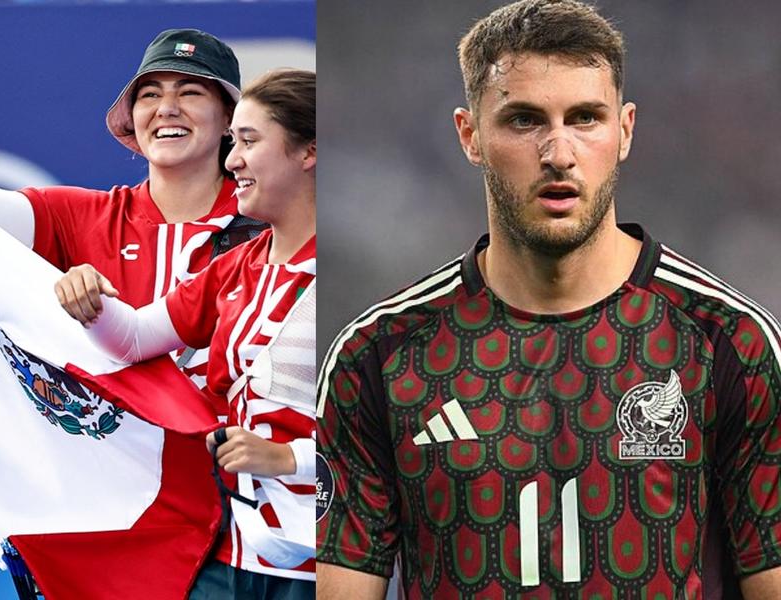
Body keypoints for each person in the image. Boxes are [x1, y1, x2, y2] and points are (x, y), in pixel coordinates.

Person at [316, 0, 781, 598]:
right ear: (470, 135)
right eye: (524, 120)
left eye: (586, 118)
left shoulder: (729, 342)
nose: (558, 153)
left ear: (626, 131)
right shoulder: (378, 355)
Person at [0, 28, 270, 596]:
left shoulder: (270, 228)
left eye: (191, 92)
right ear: (131, 120)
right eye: (149, 94)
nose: (167, 108)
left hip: (246, 510)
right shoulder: (83, 216)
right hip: (121, 513)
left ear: (231, 119)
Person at [56, 69, 316, 599]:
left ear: (308, 152)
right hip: (236, 550)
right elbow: (131, 338)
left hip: (327, 560)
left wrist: (290, 458)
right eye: (234, 141)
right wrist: (91, 297)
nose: (233, 160)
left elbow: (386, 438)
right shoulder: (239, 265)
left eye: (248, 141)